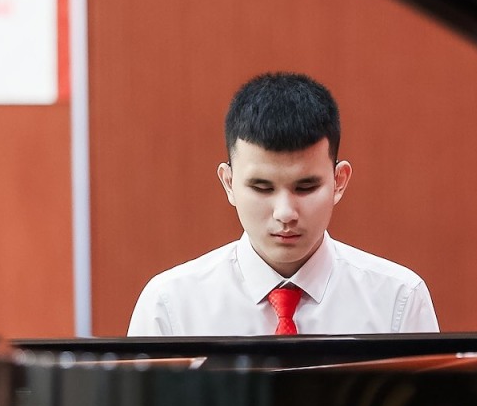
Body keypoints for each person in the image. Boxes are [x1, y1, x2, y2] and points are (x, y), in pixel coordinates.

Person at [127, 72, 439, 336]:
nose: (285, 213)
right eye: (262, 188)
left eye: (306, 186)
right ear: (229, 183)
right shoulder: (169, 306)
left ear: (339, 181)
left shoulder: (399, 300)